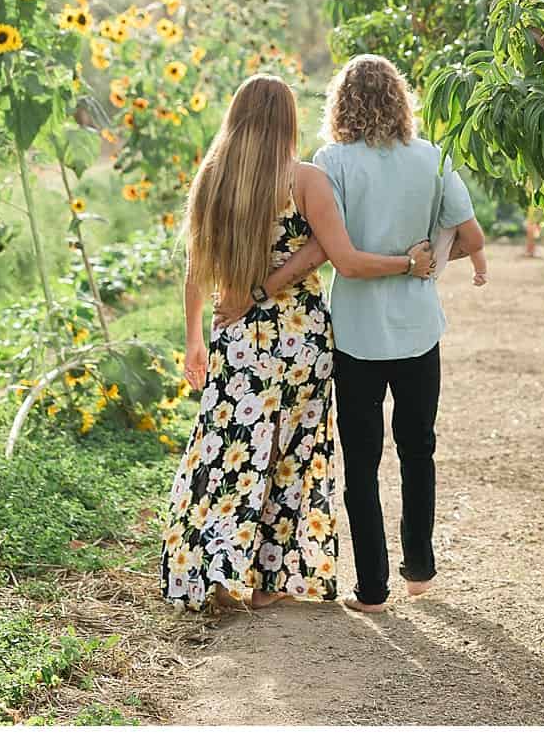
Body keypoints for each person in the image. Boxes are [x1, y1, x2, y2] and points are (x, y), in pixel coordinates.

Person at [159, 74, 433, 613]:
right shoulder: (303, 179)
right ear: (287, 120)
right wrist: (408, 263)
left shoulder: (212, 177)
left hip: (234, 335)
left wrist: (194, 342)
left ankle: (216, 563)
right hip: (298, 337)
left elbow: (196, 267)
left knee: (226, 448)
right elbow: (339, 254)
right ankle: (265, 581)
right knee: (288, 453)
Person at [314, 54, 477, 612]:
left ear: (343, 103)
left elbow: (332, 251)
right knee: (418, 449)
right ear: (401, 98)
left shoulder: (331, 161)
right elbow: (467, 228)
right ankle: (421, 568)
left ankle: (373, 588)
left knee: (360, 461)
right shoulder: (433, 158)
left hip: (356, 331)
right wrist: (434, 261)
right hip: (417, 328)